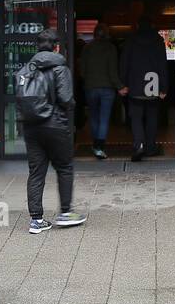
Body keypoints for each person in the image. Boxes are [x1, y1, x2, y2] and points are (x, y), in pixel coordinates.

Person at [17, 30, 85, 234]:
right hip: (55, 125)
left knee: (36, 172)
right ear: (56, 47)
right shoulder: (60, 68)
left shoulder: (25, 69)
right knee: (64, 167)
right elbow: (65, 99)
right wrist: (73, 105)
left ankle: (36, 220)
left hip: (31, 127)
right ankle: (65, 213)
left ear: (37, 47)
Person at [119, 15, 168, 162]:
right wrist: (164, 88)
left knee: (136, 117)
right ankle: (151, 147)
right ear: (152, 25)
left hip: (135, 84)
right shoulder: (158, 41)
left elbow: (124, 63)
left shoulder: (130, 40)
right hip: (153, 84)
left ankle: (139, 144)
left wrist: (122, 84)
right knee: (152, 117)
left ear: (138, 26)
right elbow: (162, 65)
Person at [83, 21, 123, 159]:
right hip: (107, 88)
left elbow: (82, 70)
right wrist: (120, 86)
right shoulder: (111, 48)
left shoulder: (87, 48)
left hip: (90, 87)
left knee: (93, 117)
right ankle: (99, 147)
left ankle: (95, 145)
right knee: (104, 118)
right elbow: (113, 72)